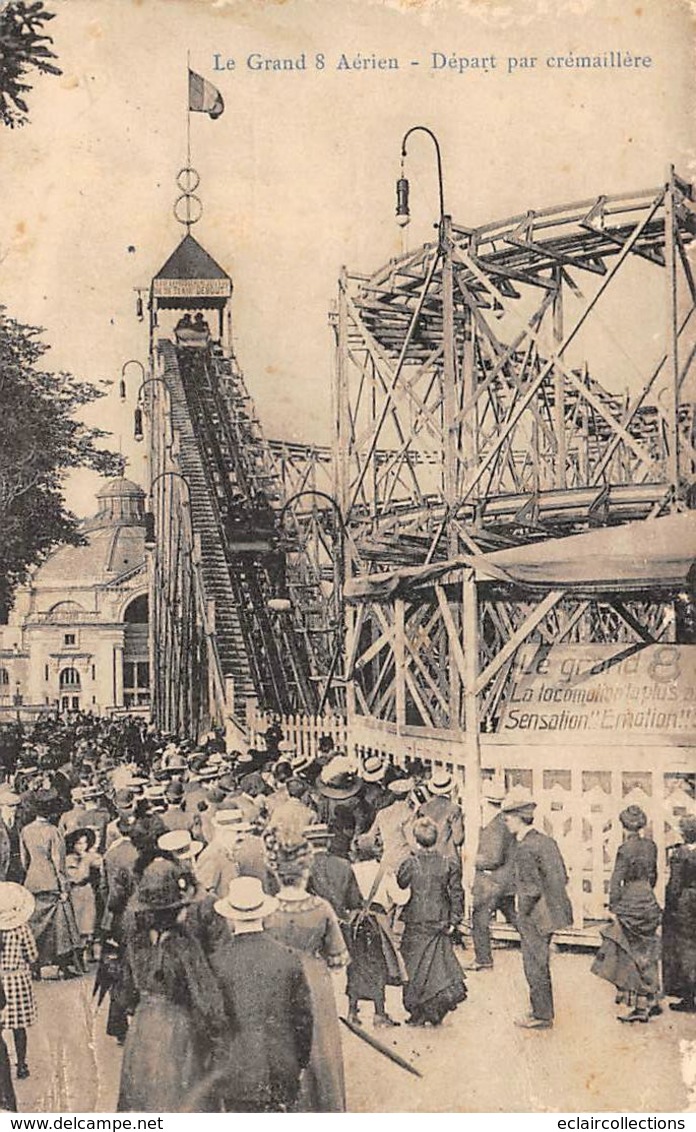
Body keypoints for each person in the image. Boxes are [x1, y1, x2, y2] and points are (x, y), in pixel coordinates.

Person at [192, 876, 313, 1112]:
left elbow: (208, 1025)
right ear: (264, 914)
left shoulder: (216, 964)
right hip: (281, 1067)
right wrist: (299, 1062)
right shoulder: (288, 958)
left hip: (235, 1073)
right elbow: (304, 1020)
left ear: (230, 917)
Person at [116, 859, 225, 1112]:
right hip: (178, 1026)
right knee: (180, 1095)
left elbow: (125, 993)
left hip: (143, 1026)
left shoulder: (137, 941)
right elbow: (206, 997)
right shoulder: (183, 945)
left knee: (144, 1092)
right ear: (175, 911)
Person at [265, 831, 348, 1113]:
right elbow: (337, 958)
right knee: (320, 1045)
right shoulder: (321, 908)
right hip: (315, 980)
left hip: (278, 982)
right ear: (306, 870)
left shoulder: (267, 909)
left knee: (283, 1041)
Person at [502, 787, 572, 1030]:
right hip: (553, 911)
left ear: (520, 819)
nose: (506, 822)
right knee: (541, 961)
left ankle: (541, 1014)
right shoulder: (546, 841)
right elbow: (562, 876)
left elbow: (530, 889)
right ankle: (542, 1011)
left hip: (535, 915)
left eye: (509, 818)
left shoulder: (524, 848)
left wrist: (520, 915)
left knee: (534, 964)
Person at [591, 804, 661, 1023]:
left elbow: (616, 880)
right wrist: (646, 891)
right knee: (647, 950)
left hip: (630, 900)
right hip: (648, 899)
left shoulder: (624, 849)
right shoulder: (651, 846)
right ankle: (652, 999)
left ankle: (640, 1008)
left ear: (623, 826)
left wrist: (614, 906)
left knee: (630, 954)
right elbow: (653, 875)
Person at [396, 816, 467, 1026]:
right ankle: (434, 1010)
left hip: (416, 920)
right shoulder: (448, 863)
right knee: (439, 965)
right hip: (440, 919)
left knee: (414, 966)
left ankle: (417, 1011)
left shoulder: (410, 863)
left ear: (416, 840)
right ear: (436, 839)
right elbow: (456, 893)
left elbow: (401, 883)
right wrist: (456, 918)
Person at [20, 790, 82, 978]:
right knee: (59, 925)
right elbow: (59, 863)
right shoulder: (53, 832)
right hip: (52, 882)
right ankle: (62, 967)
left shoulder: (26, 830)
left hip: (32, 881)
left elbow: (24, 860)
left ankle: (35, 967)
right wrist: (64, 888)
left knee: (35, 924)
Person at [348, 834, 408, 1027]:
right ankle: (379, 1013)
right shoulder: (384, 872)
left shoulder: (351, 870)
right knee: (378, 963)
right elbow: (400, 898)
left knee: (355, 964)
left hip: (355, 921)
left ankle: (352, 1011)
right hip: (378, 922)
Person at [468, 780, 517, 971]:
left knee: (479, 919)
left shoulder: (494, 826)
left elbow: (493, 858)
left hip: (491, 881)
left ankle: (483, 959)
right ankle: (537, 941)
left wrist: (473, 860)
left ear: (485, 802)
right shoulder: (503, 822)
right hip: (505, 881)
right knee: (513, 915)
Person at [0, 883, 38, 1080]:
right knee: (18, 1026)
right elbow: (32, 955)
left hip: (1, 979)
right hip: (18, 979)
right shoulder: (21, 928)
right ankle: (22, 1064)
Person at [662, 814, 696, 1013]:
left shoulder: (680, 854)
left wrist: (669, 908)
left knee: (686, 949)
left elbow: (674, 886)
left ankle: (689, 997)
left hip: (686, 903)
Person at [65, 828, 102, 960]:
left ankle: (86, 952)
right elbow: (73, 876)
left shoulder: (91, 857)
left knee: (88, 923)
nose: (82, 846)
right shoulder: (68, 859)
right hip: (74, 893)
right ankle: (78, 955)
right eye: (78, 843)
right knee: (77, 924)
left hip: (87, 892)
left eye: (84, 843)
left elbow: (101, 865)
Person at [417, 767, 465, 866]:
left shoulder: (423, 808)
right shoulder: (454, 809)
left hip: (427, 858)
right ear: (450, 789)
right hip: (447, 858)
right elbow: (458, 839)